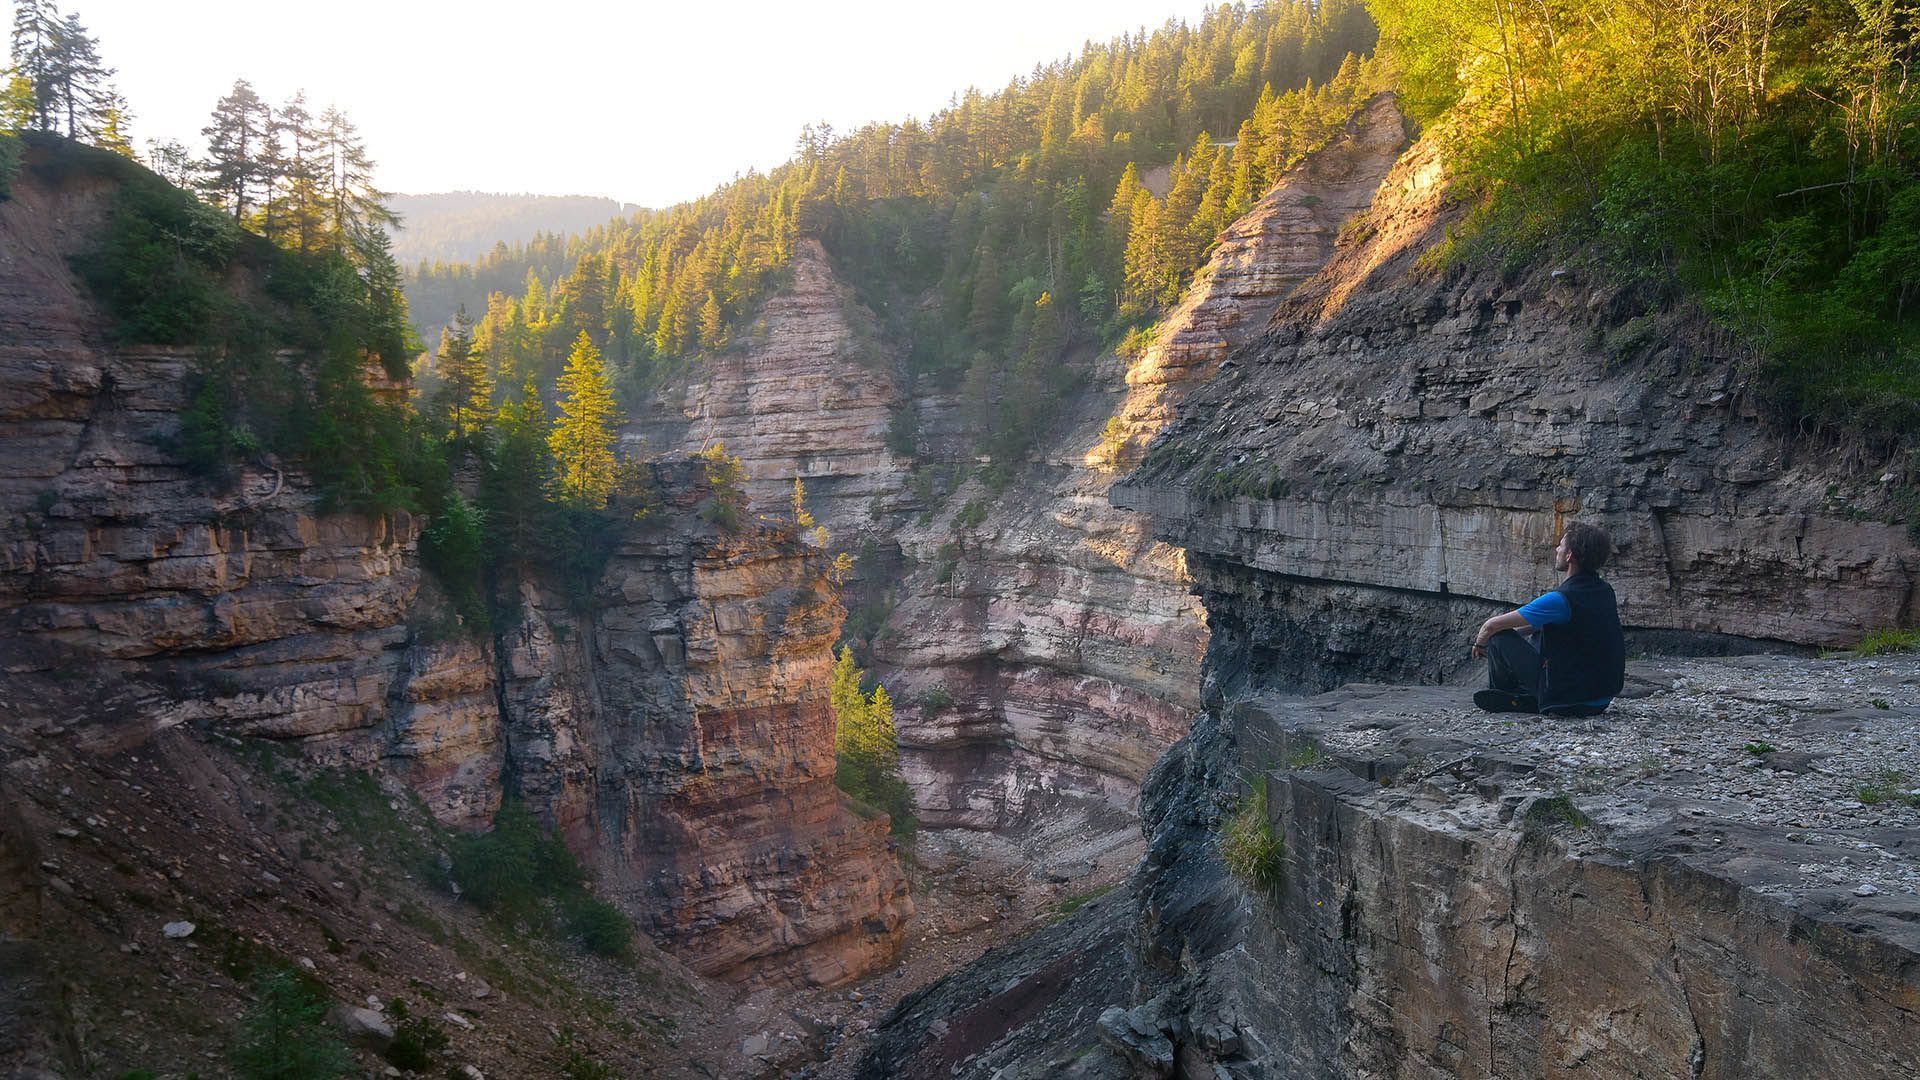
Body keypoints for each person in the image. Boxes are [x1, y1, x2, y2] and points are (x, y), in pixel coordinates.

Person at [1470, 522, 1625, 716]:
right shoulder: (1604, 590)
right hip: (1600, 697)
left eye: (1561, 545)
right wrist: (1516, 639)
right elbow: (1538, 625)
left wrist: (1481, 644)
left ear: (1569, 556)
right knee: (1541, 631)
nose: (1557, 549)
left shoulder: (1561, 599)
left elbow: (1491, 626)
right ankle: (1530, 695)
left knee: (1498, 637)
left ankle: (1506, 695)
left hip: (1568, 700)